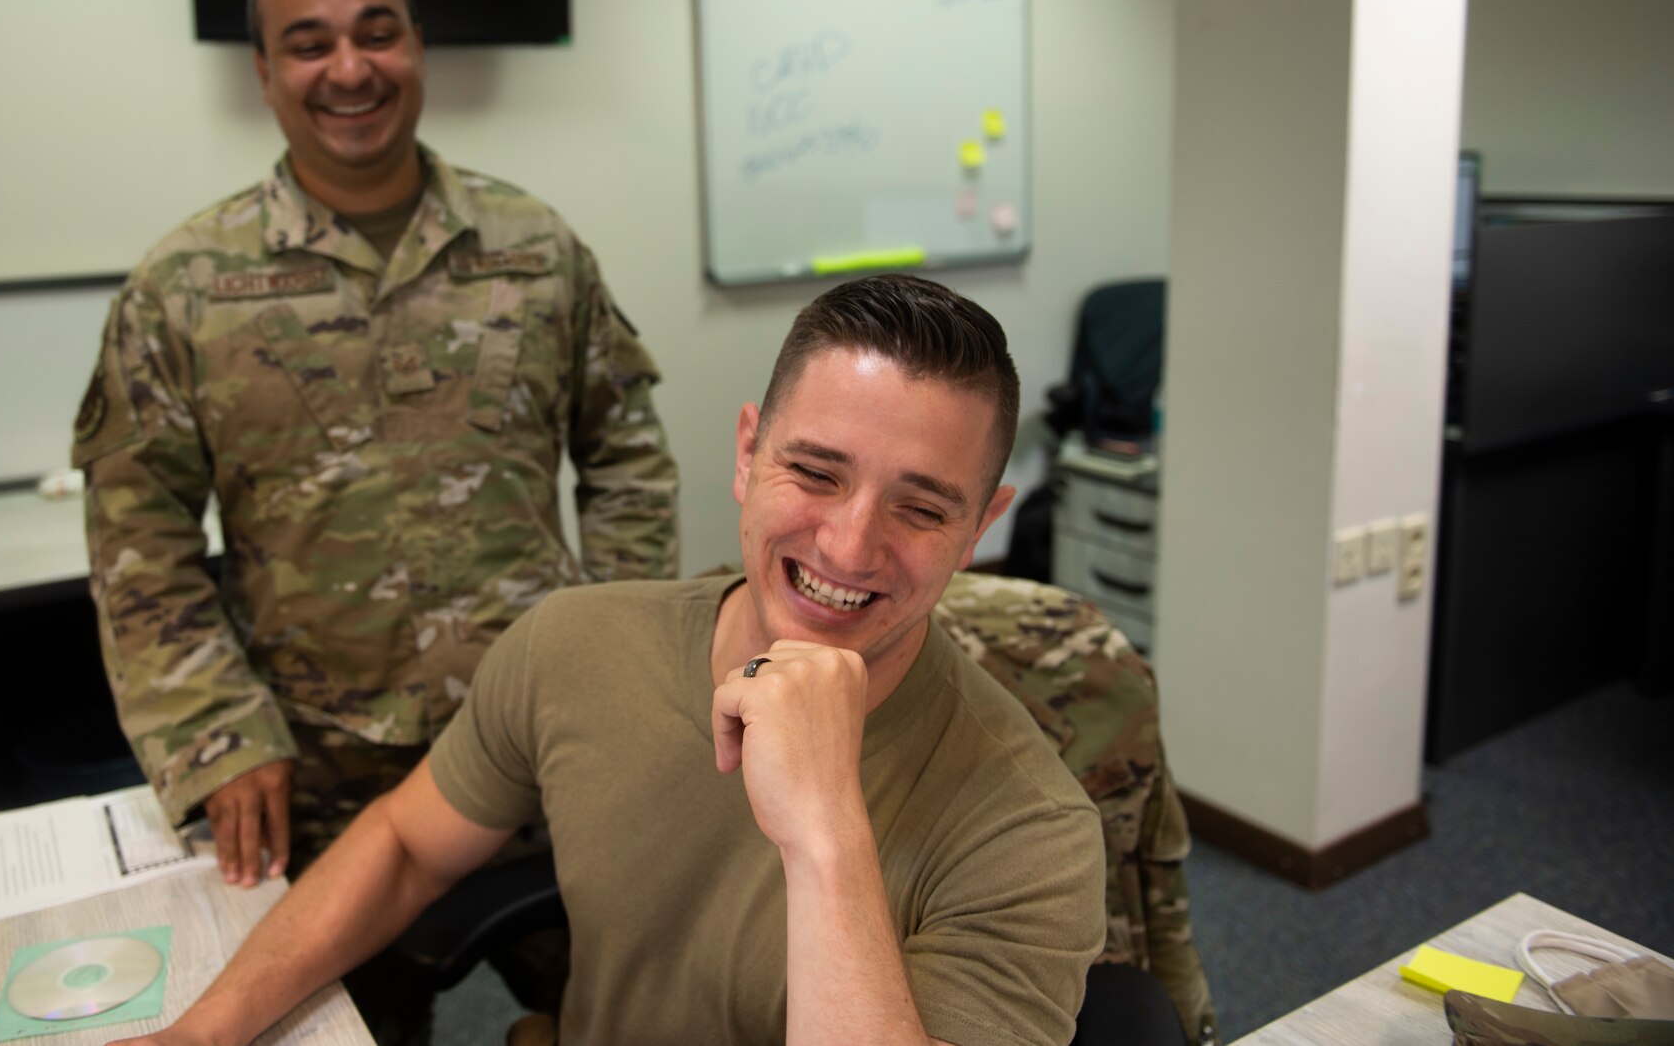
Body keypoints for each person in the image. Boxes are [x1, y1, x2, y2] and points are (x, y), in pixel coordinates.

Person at [116, 274, 1107, 1046]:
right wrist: (207, 1026)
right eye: (814, 472)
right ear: (746, 454)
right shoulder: (576, 646)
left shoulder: (1029, 828)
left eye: (921, 507)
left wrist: (824, 831)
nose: (848, 547)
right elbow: (409, 848)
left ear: (980, 526)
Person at [71, 0, 677, 919]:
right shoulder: (185, 286)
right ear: (265, 74)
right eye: (308, 44)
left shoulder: (532, 245)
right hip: (310, 776)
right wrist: (213, 732)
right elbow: (138, 538)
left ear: (417, 47)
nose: (349, 68)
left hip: (540, 740)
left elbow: (627, 455)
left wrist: (617, 661)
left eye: (376, 33)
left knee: (609, 1011)